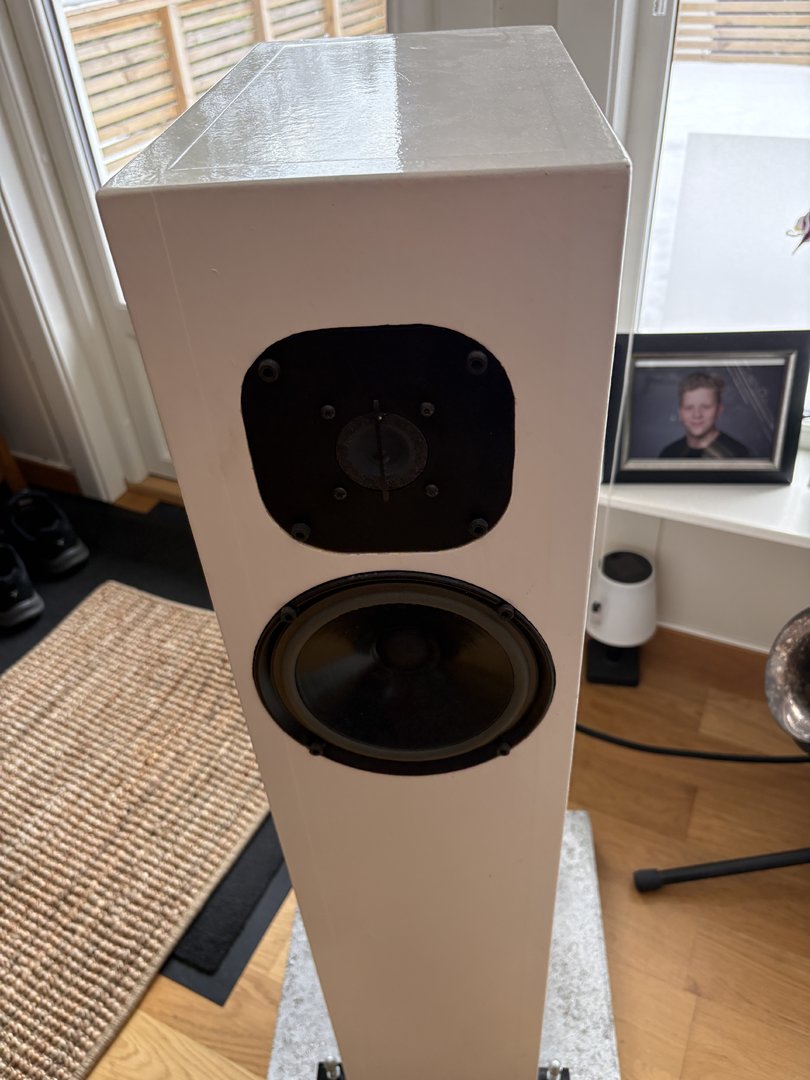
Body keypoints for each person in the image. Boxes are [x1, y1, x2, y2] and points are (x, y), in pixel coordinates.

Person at [659, 372, 750, 459]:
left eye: (705, 407)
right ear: (680, 412)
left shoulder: (737, 455)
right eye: (689, 408)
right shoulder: (669, 454)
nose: (697, 415)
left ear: (719, 410)